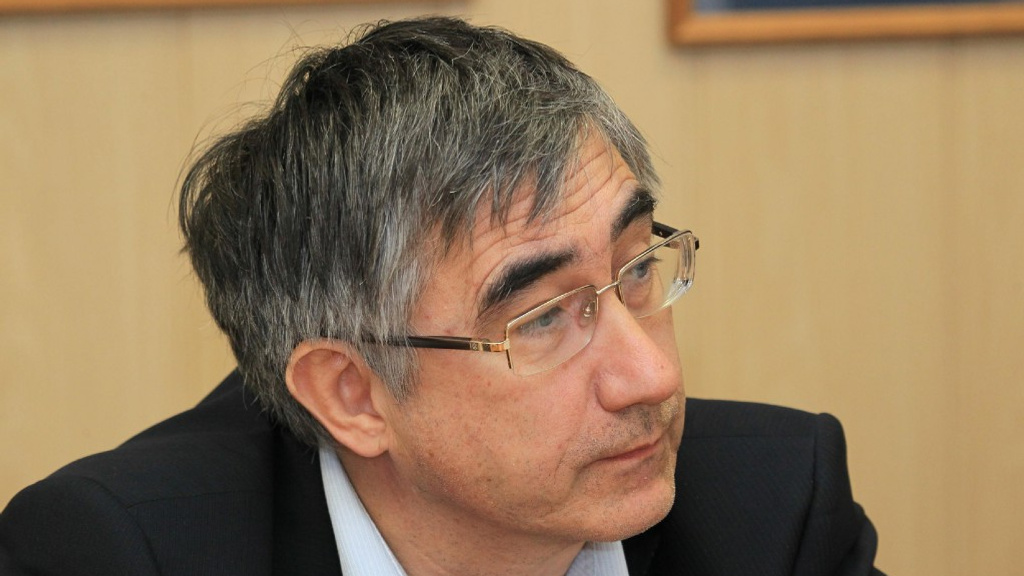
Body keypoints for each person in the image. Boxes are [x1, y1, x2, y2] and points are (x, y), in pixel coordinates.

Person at [0, 16, 883, 576]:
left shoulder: (776, 511)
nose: (651, 376)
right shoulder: (122, 553)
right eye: (543, 317)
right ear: (353, 394)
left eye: (637, 270)